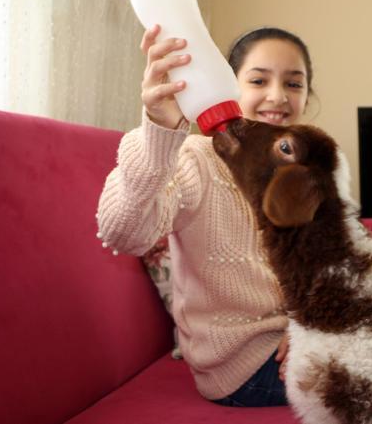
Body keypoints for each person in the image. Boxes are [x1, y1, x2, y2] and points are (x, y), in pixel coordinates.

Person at [96, 25, 314, 407]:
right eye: (259, 80)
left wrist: (309, 330)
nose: (277, 96)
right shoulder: (197, 159)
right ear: (229, 86)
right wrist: (161, 130)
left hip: (299, 344)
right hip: (241, 368)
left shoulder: (304, 173)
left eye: (294, 84)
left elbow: (324, 273)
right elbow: (123, 232)